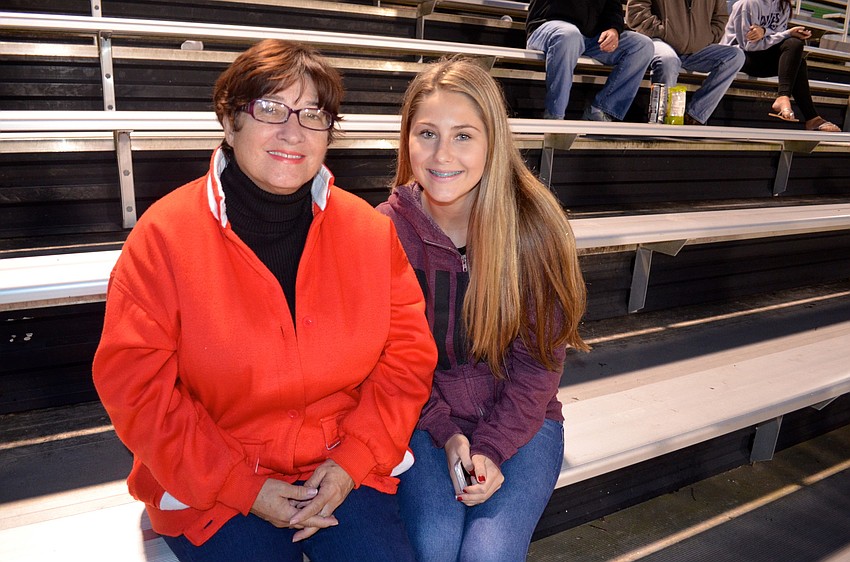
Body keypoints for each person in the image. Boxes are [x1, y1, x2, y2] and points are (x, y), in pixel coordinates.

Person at [91, 39, 437, 562]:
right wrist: (242, 485)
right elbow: (136, 390)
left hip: (340, 466)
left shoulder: (370, 233)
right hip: (213, 477)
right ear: (230, 122)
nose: (293, 131)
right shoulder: (163, 237)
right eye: (271, 109)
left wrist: (352, 461)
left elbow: (407, 361)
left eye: (313, 114)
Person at [377, 57, 589, 562]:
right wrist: (447, 434)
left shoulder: (533, 225)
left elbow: (538, 367)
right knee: (433, 543)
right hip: (423, 420)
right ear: (406, 139)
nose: (442, 154)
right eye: (427, 133)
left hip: (523, 419)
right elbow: (390, 364)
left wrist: (491, 448)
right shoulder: (384, 231)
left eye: (464, 136)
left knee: (486, 554)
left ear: (493, 141)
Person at [722, 0, 843, 131]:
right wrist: (785, 33)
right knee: (795, 55)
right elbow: (748, 45)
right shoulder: (747, 4)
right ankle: (810, 117)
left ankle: (800, 110)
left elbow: (776, 36)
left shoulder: (783, 5)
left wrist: (765, 31)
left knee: (795, 46)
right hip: (737, 56)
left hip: (760, 54)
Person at [526, 0, 654, 121]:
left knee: (642, 45)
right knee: (569, 35)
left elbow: (613, 7)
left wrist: (613, 29)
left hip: (589, 37)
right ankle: (554, 117)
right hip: (549, 26)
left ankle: (600, 111)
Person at [627, 0, 746, 125]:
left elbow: (720, 18)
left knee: (735, 56)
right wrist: (664, 31)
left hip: (697, 47)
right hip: (659, 40)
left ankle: (695, 116)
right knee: (668, 60)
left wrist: (707, 37)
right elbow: (636, 11)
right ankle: (662, 121)